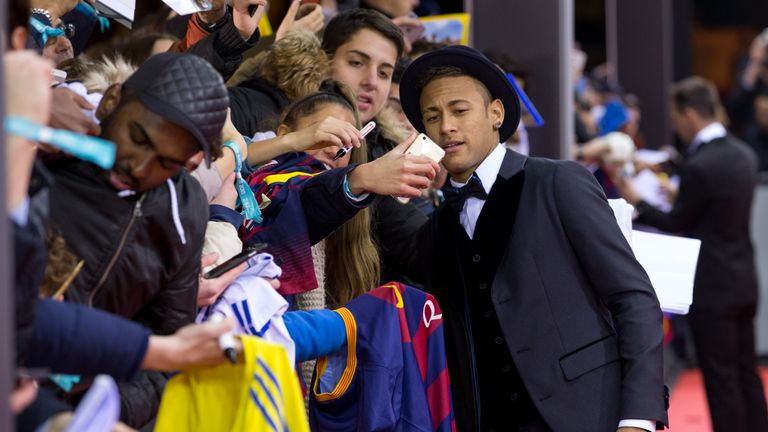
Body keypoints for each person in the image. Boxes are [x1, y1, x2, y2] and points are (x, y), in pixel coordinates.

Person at [397, 46, 668, 431]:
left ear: (496, 113)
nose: (447, 127)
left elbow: (633, 297)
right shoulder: (436, 229)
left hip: (590, 416)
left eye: (459, 111)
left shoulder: (558, 181)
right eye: (432, 117)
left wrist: (638, 417)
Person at [615, 76, 768, 432]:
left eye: (675, 116)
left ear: (688, 114)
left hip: (712, 287)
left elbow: (679, 221)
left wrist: (637, 202)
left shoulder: (700, 165)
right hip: (745, 279)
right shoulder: (742, 154)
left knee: (720, 377)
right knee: (746, 370)